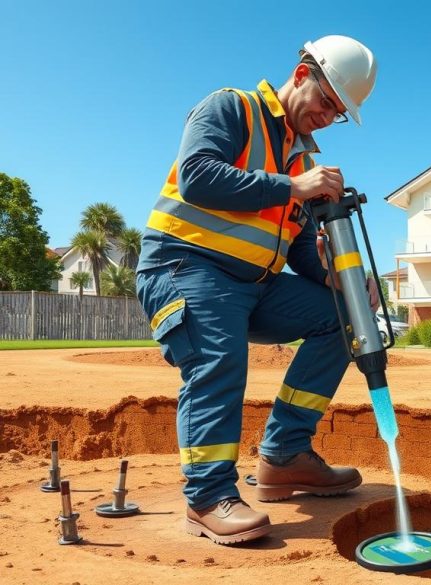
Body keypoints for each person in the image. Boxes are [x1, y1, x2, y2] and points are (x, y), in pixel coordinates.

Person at [135, 35, 379, 545]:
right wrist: (293, 188)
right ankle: (207, 497)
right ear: (300, 77)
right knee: (220, 358)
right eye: (326, 102)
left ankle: (285, 456)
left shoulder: (303, 165)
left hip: (255, 285)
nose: (328, 117)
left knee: (340, 315)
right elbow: (198, 177)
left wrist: (343, 282)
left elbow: (296, 250)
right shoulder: (232, 108)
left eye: (339, 113)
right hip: (184, 264)